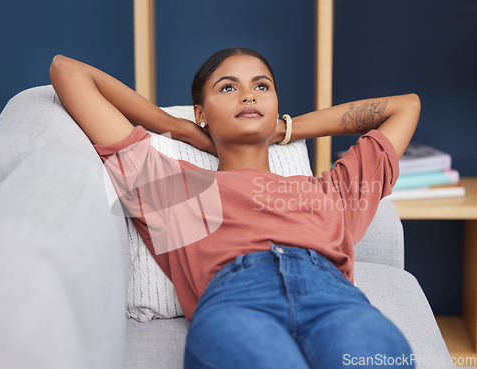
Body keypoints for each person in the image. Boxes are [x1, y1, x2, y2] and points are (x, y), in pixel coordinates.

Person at [49, 47, 420, 369]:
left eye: (262, 87)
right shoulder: (177, 192)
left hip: (335, 301)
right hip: (238, 304)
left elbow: (406, 106)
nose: (249, 96)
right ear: (202, 112)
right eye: (228, 87)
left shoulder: (333, 193)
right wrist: (174, 126)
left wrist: (286, 130)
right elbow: (67, 71)